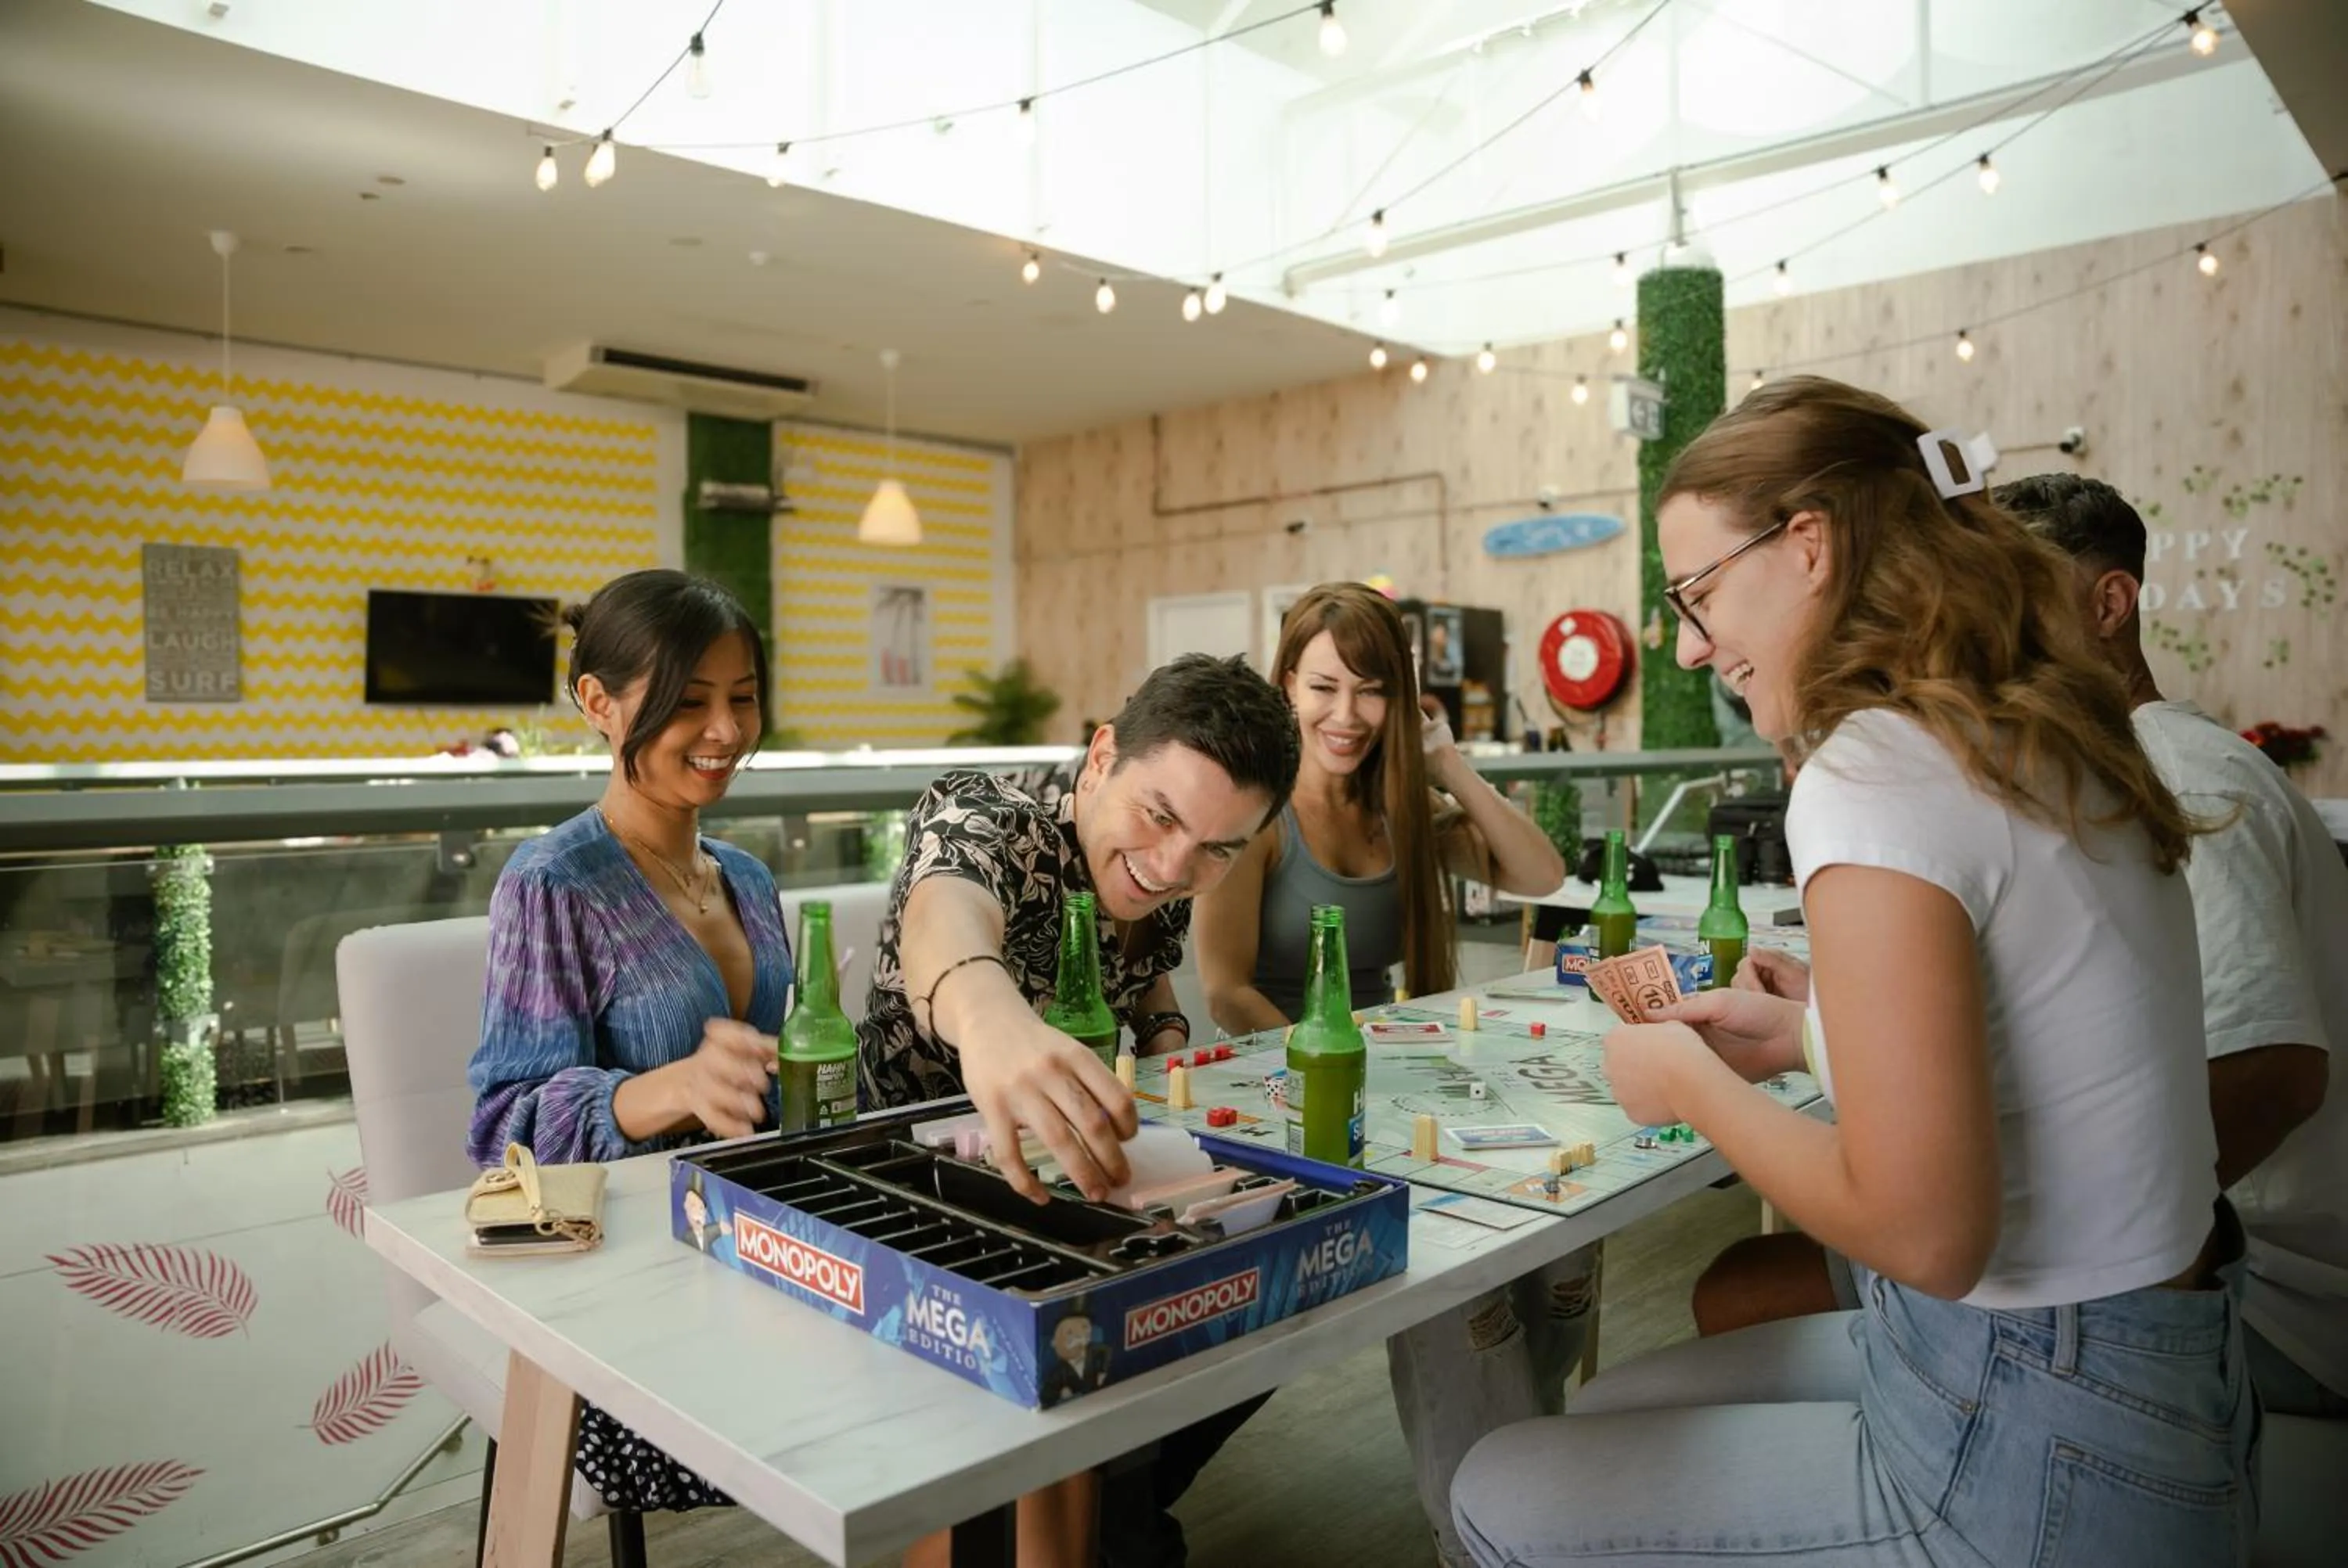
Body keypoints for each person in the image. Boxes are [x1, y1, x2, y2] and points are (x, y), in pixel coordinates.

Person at [1449, 377, 2256, 1566]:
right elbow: (2042, 1037)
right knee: (1610, 1407)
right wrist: (1808, 1032)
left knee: (1493, 1482)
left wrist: (1683, 1079)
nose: (1688, 642)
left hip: (2035, 1433)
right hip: (2173, 1377)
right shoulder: (2040, 726)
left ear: (1810, 547)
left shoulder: (1871, 767)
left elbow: (1927, 1234)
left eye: (1698, 593)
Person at [1691, 473, 2348, 1422]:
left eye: (2008, 586)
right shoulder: (2081, 765)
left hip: (2269, 1298)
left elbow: (2277, 1073)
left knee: (1747, 1289)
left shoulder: (2176, 774)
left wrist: (2097, 1234)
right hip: (2183, 1264)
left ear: (2109, 604)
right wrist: (1818, 1027)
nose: (1967, 615)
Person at [858, 652, 1300, 1568]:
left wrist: (1170, 1034)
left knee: (1283, 1290)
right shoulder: (989, 815)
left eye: (1218, 848)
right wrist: (989, 1019)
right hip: (909, 1209)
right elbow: (945, 907)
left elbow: (1148, 969)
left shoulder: (1170, 867)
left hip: (1074, 1197)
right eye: (1160, 815)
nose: (1175, 865)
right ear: (1101, 758)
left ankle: (1120, 1505)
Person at [1191, 581, 1586, 1568]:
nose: (1347, 714)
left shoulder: (1397, 813)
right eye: (1323, 686)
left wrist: (1446, 758)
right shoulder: (1262, 817)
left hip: (1400, 1090)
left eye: (1374, 691)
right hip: (1288, 1091)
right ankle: (1488, 1531)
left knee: (1567, 1242)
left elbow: (1541, 877)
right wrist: (1330, 1066)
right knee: (1462, 1281)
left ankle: (1539, 1488)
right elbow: (1224, 988)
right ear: (1286, 686)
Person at [467, 568, 792, 1513]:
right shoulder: (553, 883)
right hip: (633, 1306)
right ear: (598, 704)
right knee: (921, 1406)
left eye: (743, 698)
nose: (727, 730)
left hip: (757, 1254)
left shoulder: (750, 877)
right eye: (690, 703)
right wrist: (668, 1088)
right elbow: (502, 1135)